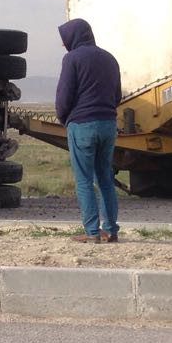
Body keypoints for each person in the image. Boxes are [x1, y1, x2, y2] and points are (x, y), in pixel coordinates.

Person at [55, 18, 123, 243]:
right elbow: (117, 96)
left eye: (65, 40)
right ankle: (111, 230)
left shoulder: (72, 59)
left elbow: (64, 98)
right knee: (105, 178)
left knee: (84, 179)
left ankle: (92, 232)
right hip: (108, 124)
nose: (64, 45)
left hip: (82, 125)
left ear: (73, 38)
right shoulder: (110, 58)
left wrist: (66, 119)